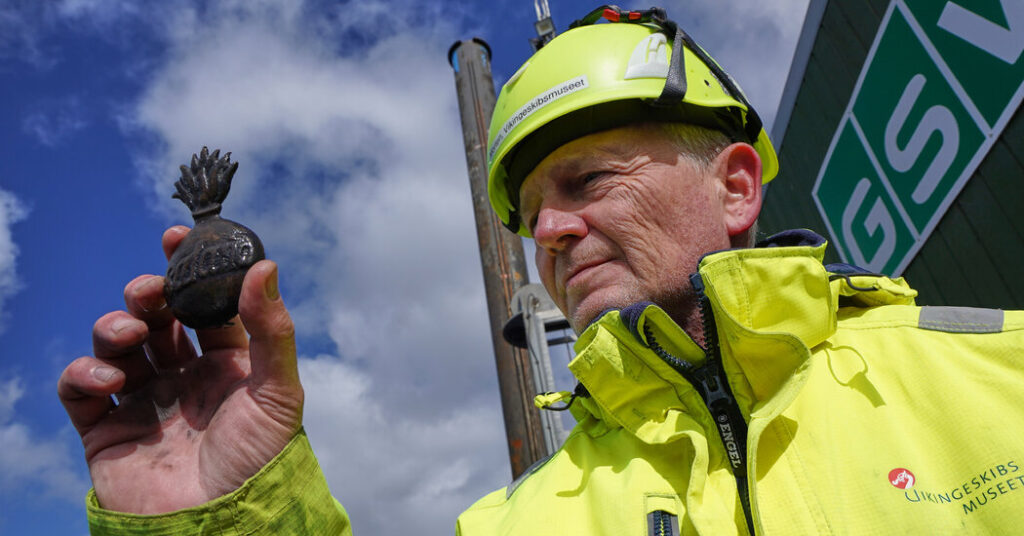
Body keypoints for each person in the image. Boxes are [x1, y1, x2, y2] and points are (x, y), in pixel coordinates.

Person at [59, 5, 1024, 535]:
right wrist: (224, 520)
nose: (549, 231)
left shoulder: (999, 373)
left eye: (589, 180)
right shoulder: (518, 522)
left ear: (735, 187)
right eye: (527, 215)